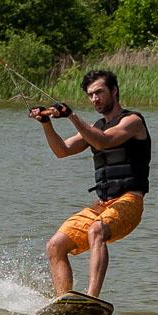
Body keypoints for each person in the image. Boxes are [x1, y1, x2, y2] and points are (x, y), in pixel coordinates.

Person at [28, 70, 150, 299]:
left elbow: (104, 141)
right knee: (55, 246)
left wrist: (71, 116)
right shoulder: (95, 127)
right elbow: (62, 150)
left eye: (99, 92)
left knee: (97, 230)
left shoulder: (133, 121)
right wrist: (46, 123)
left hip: (130, 202)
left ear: (114, 91)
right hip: (102, 205)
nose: (95, 99)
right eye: (91, 95)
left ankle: (91, 299)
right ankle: (65, 302)